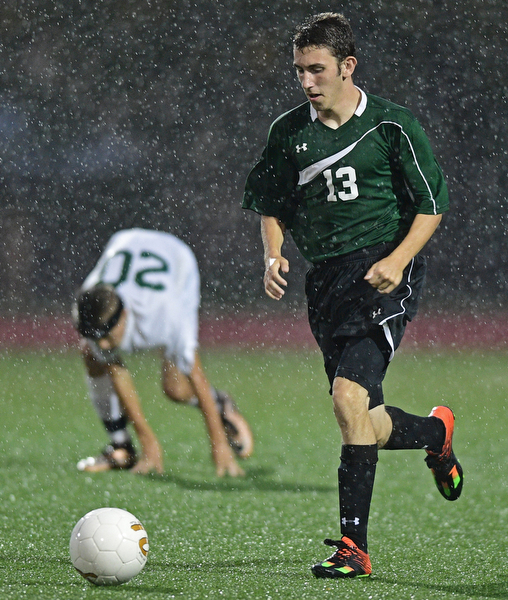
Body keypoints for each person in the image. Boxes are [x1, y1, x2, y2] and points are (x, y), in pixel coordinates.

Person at [242, 12, 462, 578]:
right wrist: (273, 253)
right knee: (364, 415)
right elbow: (271, 203)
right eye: (299, 72)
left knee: (346, 399)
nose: (308, 82)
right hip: (327, 283)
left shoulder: (393, 126)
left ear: (348, 66)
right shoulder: (289, 132)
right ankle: (436, 433)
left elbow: (431, 207)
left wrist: (396, 260)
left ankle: (353, 548)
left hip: (382, 275)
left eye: (318, 70)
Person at [72, 228, 253, 477]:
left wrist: (219, 443)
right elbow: (116, 370)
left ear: (124, 316)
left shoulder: (167, 315)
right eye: (97, 336)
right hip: (124, 242)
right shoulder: (90, 303)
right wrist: (147, 440)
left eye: (107, 335)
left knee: (176, 388)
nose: (103, 344)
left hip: (177, 259)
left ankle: (220, 403)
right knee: (90, 355)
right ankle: (121, 446)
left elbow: (196, 375)